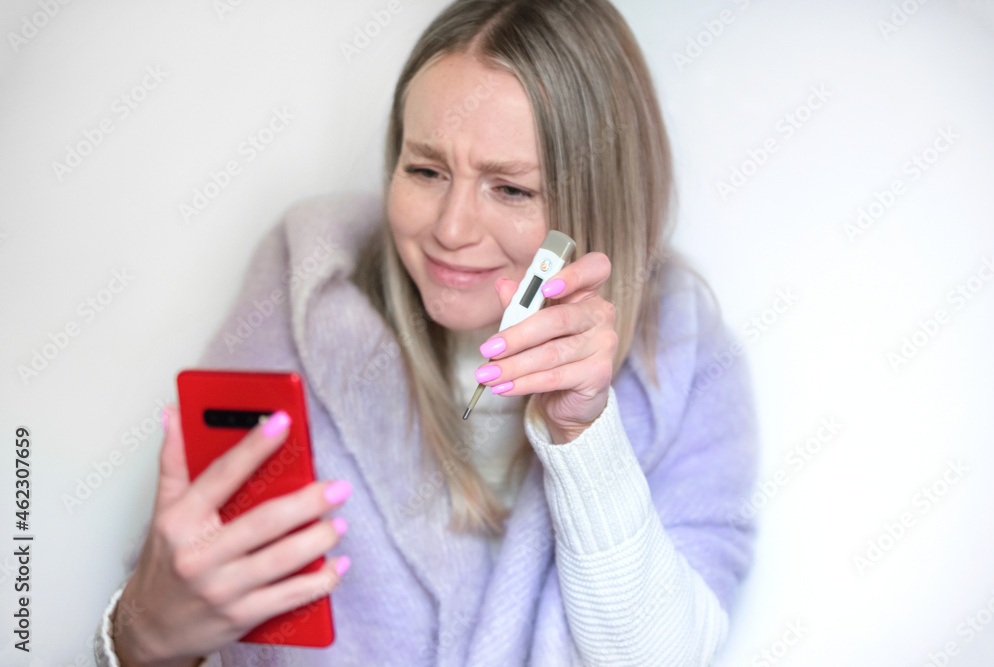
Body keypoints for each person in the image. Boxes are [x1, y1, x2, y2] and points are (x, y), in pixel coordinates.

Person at [94, 0, 759, 665]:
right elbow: (190, 610)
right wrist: (142, 637)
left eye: (511, 189)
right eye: (425, 171)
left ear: (600, 199)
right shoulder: (301, 289)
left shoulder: (683, 357)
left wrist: (583, 438)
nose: (450, 228)